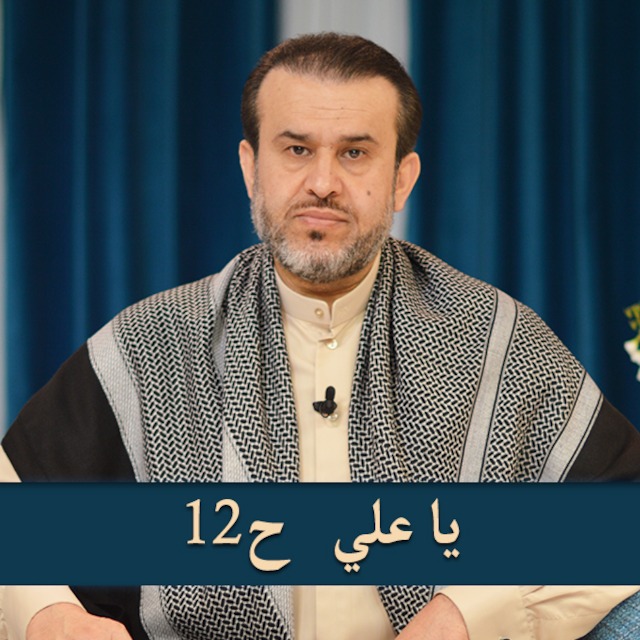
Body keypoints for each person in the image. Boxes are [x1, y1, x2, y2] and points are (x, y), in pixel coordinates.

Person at [1, 32, 639, 640]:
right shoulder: (152, 345)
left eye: (355, 153)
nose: (324, 183)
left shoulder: (496, 339)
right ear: (251, 168)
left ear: (402, 179)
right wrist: (47, 613)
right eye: (297, 149)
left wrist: (465, 614)